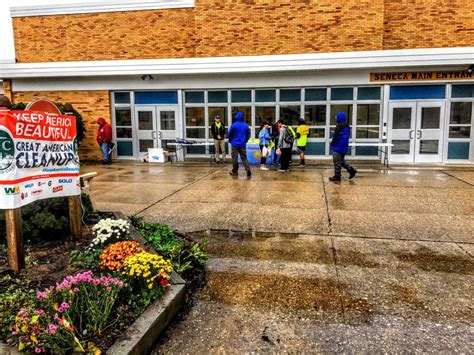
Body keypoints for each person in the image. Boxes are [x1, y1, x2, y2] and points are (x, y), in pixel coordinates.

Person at [329, 112, 357, 181]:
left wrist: (332, 143)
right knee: (341, 161)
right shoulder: (347, 126)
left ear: (339, 117)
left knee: (337, 161)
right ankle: (351, 170)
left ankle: (337, 176)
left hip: (338, 146)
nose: (336, 118)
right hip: (344, 146)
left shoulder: (339, 126)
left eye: (337, 117)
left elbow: (337, 136)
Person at [228, 111, 251, 177]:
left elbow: (230, 134)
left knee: (234, 158)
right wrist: (245, 141)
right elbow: (248, 135)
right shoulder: (246, 125)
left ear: (236, 117)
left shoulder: (233, 125)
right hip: (242, 144)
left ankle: (234, 171)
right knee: (244, 158)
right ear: (242, 117)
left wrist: (230, 141)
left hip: (235, 144)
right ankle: (248, 170)